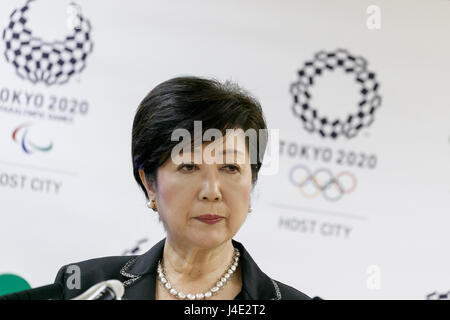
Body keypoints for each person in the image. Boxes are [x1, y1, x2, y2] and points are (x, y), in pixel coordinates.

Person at [53, 76, 311, 300]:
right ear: (150, 184)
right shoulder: (84, 287)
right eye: (188, 167)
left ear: (251, 181)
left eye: (230, 168)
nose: (212, 191)